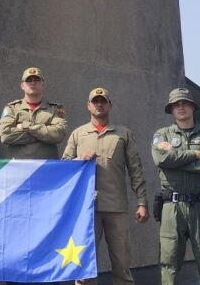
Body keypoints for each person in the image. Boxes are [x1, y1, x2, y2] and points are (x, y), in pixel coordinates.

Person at [62, 87, 148, 285]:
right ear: (88, 105)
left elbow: (136, 170)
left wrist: (142, 202)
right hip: (85, 208)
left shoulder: (123, 134)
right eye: (95, 101)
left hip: (115, 207)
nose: (99, 104)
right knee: (84, 266)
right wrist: (78, 159)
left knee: (122, 263)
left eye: (103, 101)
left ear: (110, 105)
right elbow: (64, 166)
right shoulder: (78, 134)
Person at [152, 87, 200, 285]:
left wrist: (176, 159)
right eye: (176, 104)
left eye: (184, 103)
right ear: (171, 110)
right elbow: (161, 158)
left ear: (192, 107)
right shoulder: (162, 135)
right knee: (169, 260)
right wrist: (194, 154)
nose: (181, 107)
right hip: (172, 207)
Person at [0, 67, 67, 160]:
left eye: (37, 79)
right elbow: (5, 136)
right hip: (18, 168)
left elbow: (58, 135)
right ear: (22, 85)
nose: (33, 83)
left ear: (43, 84)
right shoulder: (11, 108)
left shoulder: (55, 109)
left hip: (46, 168)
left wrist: (24, 126)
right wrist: (42, 135)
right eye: (29, 80)